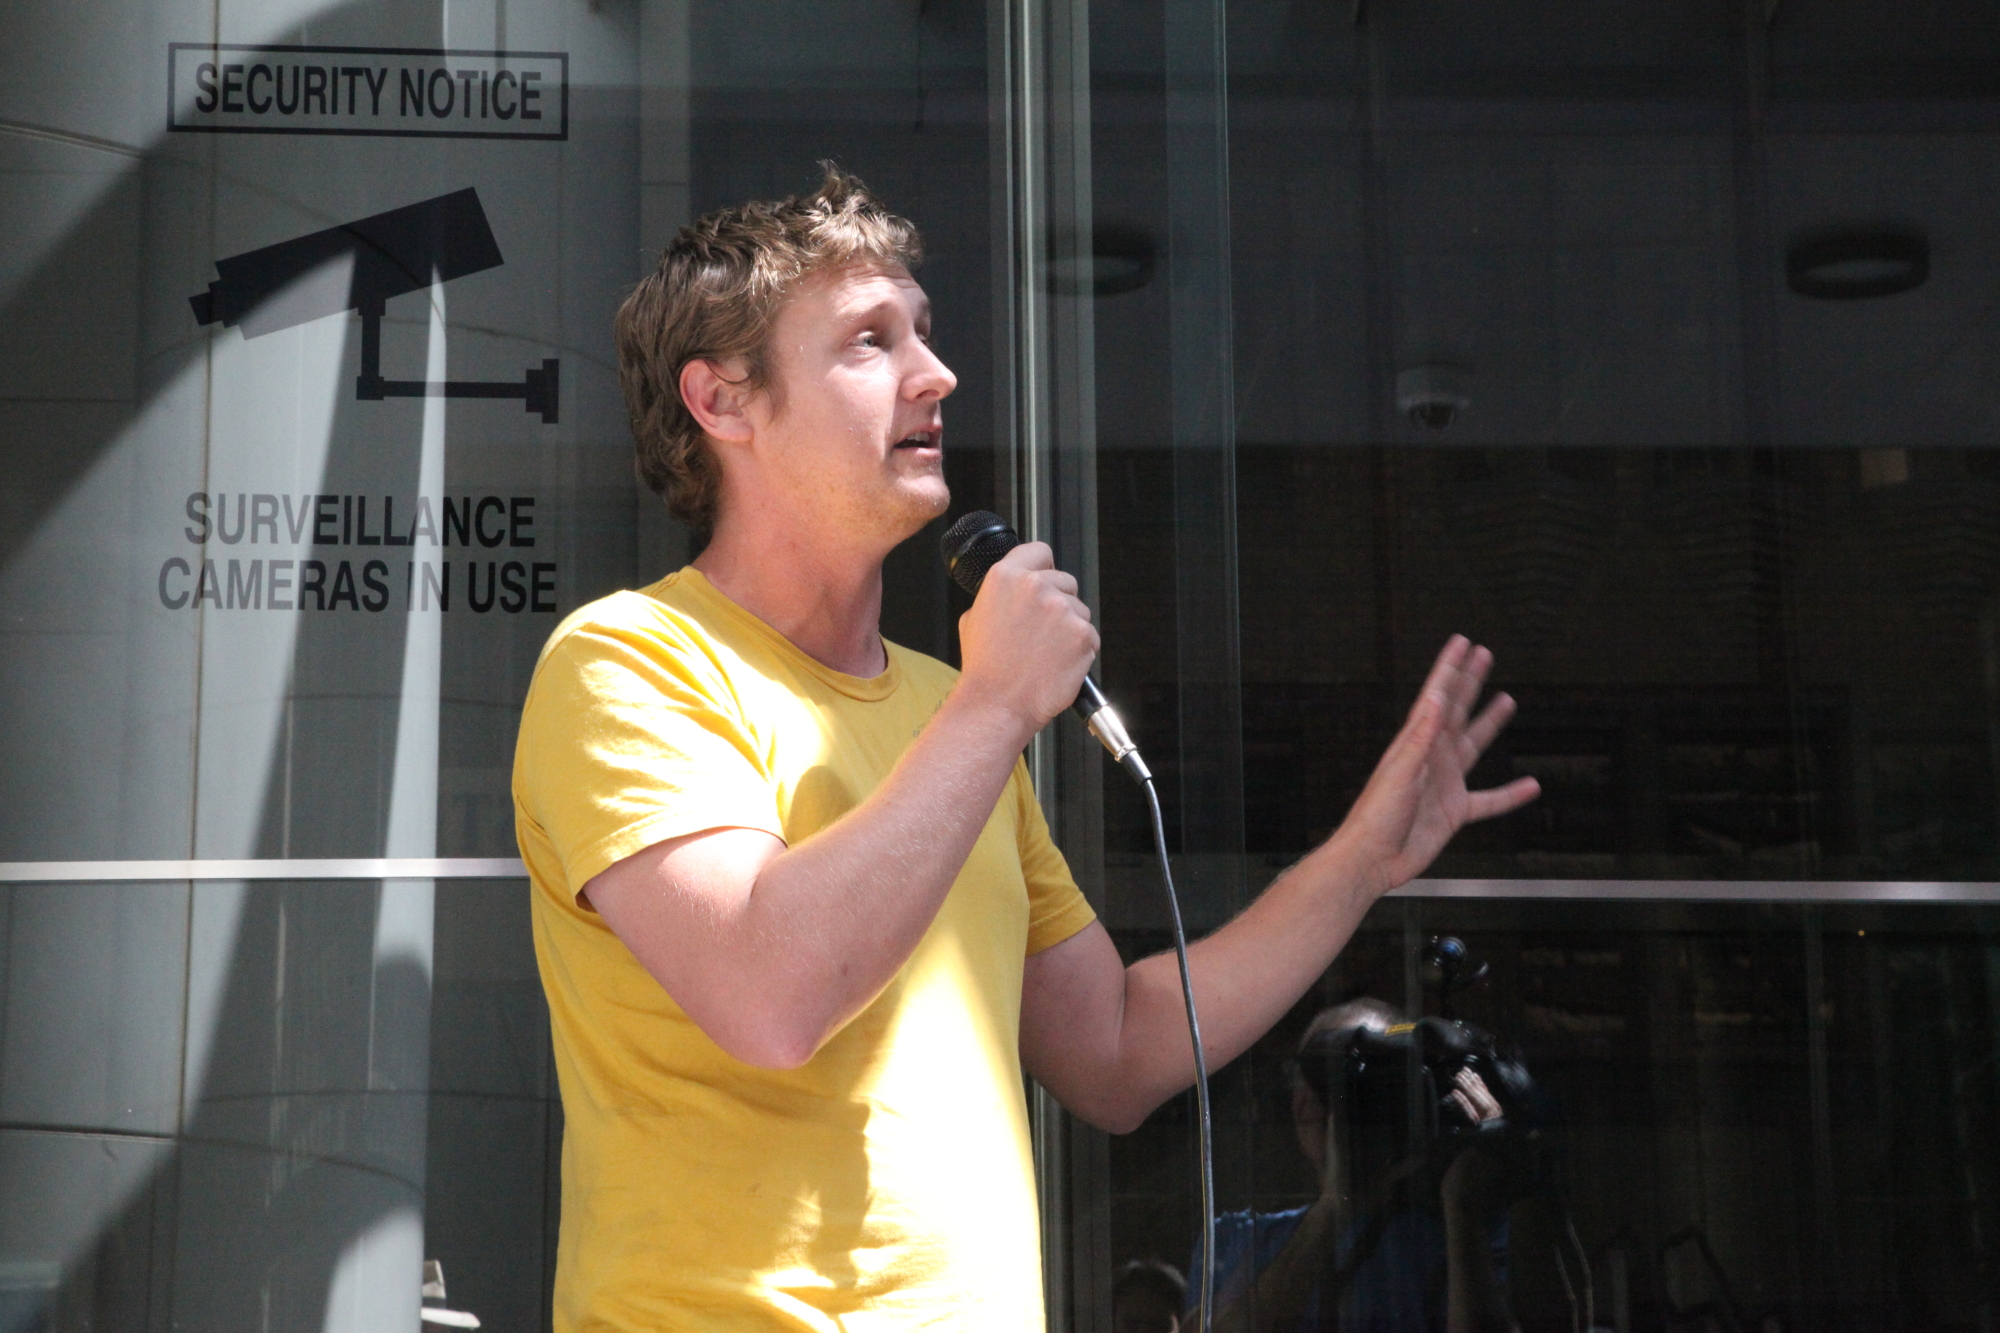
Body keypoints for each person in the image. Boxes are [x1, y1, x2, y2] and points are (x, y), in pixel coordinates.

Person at [512, 165, 1539, 1332]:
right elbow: (768, 995)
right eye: (867, 340)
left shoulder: (946, 712)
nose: (935, 374)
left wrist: (1358, 858)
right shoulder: (630, 660)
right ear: (723, 401)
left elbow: (1114, 1048)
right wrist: (995, 708)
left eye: (926, 333)